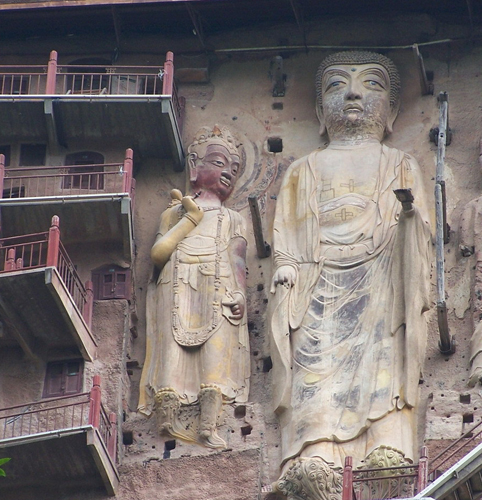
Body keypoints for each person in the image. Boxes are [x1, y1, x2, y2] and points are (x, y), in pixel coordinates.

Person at [269, 51, 432, 496]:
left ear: (392, 111)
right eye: (338, 85)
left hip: (382, 273)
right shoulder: (302, 169)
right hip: (316, 280)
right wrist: (286, 265)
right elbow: (286, 231)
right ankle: (314, 454)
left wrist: (409, 218)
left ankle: (387, 446)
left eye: (371, 85)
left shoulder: (400, 162)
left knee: (385, 360)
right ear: (320, 110)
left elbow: (422, 227)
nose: (354, 94)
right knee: (314, 372)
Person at [139, 125, 249, 449]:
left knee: (216, 353)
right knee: (171, 353)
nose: (227, 172)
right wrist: (190, 218)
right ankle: (167, 420)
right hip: (176, 285)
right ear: (194, 166)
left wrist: (240, 293)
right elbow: (158, 254)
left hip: (219, 287)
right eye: (218, 162)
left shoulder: (233, 218)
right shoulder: (173, 213)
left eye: (234, 169)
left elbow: (238, 258)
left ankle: (207, 425)